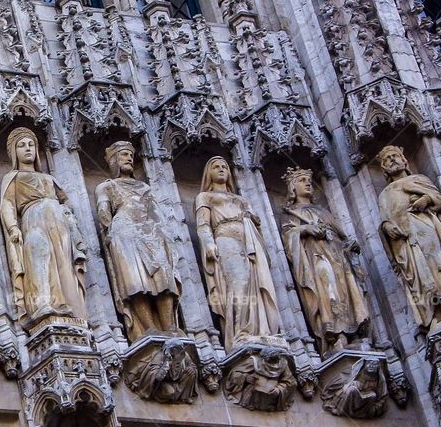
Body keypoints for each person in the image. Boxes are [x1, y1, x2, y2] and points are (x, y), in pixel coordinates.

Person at [376, 145, 441, 329]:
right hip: (407, 243)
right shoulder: (385, 194)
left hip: (428, 231)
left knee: (440, 265)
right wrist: (387, 227)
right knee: (421, 276)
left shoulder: (419, 179)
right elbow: (385, 219)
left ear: (405, 160)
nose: (391, 160)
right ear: (383, 168)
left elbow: (440, 201)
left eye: (395, 156)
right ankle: (436, 315)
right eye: (386, 160)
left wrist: (427, 200)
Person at [95, 141, 181, 339]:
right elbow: (103, 212)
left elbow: (156, 213)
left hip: (150, 233)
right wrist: (116, 232)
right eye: (124, 155)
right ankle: (148, 327)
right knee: (136, 281)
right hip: (125, 233)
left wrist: (163, 235)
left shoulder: (143, 187)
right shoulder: (106, 187)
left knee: (164, 278)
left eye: (130, 155)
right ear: (114, 160)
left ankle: (169, 326)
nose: (129, 159)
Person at [0, 127, 86, 322]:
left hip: (59, 223)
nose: (27, 149)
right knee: (39, 256)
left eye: (31, 145)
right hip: (34, 219)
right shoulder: (13, 177)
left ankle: (68, 305)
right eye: (21, 146)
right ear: (14, 152)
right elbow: (7, 204)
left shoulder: (49, 178)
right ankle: (42, 304)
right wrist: (13, 227)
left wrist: (69, 213)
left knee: (63, 262)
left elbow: (66, 200)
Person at [194, 156, 280, 349]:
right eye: (216, 167)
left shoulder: (241, 200)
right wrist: (208, 244)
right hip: (225, 240)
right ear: (209, 173)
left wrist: (250, 217)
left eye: (224, 166)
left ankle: (260, 331)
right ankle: (240, 332)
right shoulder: (205, 197)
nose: (222, 169)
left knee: (255, 284)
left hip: (249, 242)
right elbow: (203, 224)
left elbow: (257, 221)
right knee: (238, 283)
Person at [281, 168, 369, 355]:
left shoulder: (322, 211)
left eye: (309, 180)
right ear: (292, 187)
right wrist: (304, 230)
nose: (307, 184)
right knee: (327, 291)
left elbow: (340, 235)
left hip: (337, 258)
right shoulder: (291, 214)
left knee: (345, 292)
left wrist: (349, 245)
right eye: (302, 180)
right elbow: (289, 240)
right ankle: (335, 337)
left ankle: (353, 334)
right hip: (315, 258)